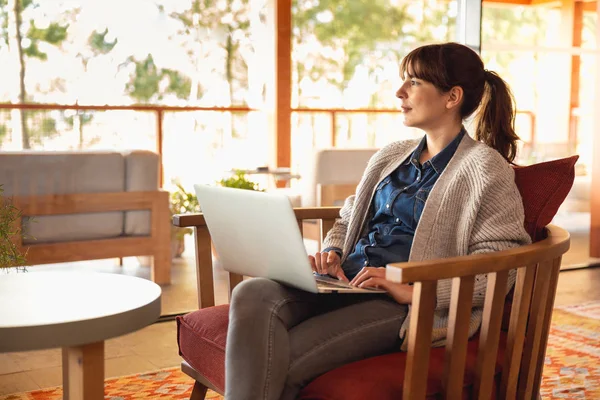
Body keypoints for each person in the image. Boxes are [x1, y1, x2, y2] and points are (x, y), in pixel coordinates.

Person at [224, 42, 532, 400]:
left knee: (282, 359)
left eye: (414, 82)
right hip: (342, 284)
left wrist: (416, 290)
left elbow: (502, 265)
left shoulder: (484, 167)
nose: (400, 92)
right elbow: (346, 218)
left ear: (452, 97)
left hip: (397, 305)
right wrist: (333, 251)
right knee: (251, 291)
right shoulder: (392, 154)